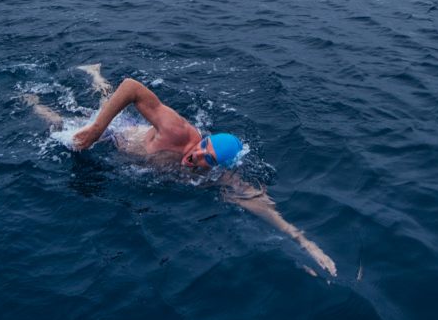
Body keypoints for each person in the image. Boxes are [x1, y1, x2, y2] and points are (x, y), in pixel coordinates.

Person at [23, 64, 337, 277]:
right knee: (65, 127)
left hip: (129, 149)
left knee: (96, 113)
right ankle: (33, 99)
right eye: (204, 147)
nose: (198, 156)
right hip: (119, 135)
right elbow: (131, 87)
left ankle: (94, 78)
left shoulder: (216, 177)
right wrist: (95, 131)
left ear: (218, 168)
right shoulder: (178, 132)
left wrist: (307, 244)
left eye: (209, 159)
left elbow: (261, 204)